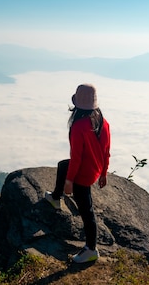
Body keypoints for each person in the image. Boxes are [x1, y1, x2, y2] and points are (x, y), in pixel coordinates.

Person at [45, 83, 111, 264]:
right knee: (62, 165)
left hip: (83, 174)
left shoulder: (79, 126)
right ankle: (55, 198)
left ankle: (91, 249)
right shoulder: (103, 122)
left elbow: (77, 158)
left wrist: (70, 181)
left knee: (86, 211)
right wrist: (104, 172)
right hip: (95, 167)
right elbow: (106, 150)